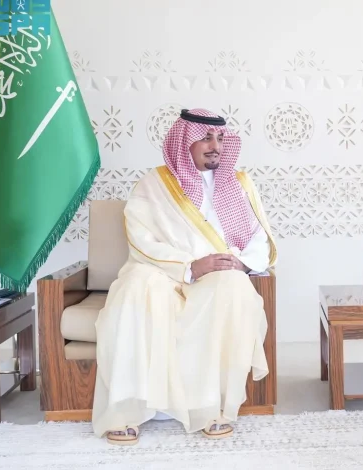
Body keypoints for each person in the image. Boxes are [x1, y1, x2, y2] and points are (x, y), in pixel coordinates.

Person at [92, 108, 278, 446]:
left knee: (234, 286)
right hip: (161, 271)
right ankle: (127, 410)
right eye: (205, 138)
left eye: (219, 138)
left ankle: (209, 408)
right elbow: (142, 239)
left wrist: (239, 264)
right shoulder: (153, 184)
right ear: (183, 141)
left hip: (217, 273)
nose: (215, 146)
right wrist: (190, 267)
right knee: (137, 289)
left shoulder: (239, 184)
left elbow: (258, 240)